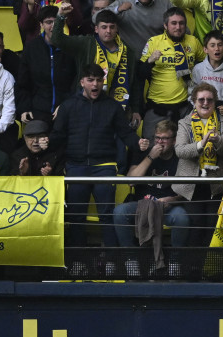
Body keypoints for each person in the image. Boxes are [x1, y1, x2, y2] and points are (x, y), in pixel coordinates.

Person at [49, 63, 149, 247]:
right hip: (76, 166)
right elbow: (58, 136)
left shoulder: (113, 106)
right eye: (90, 80)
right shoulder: (68, 106)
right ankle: (79, 261)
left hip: (104, 167)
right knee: (76, 216)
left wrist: (138, 143)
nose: (95, 84)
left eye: (98, 80)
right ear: (82, 82)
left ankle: (111, 260)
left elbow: (125, 134)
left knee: (106, 215)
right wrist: (47, 142)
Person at [113, 118, 187, 275]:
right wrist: (150, 157)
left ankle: (175, 262)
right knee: (119, 213)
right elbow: (131, 182)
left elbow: (186, 191)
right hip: (143, 205)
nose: (160, 142)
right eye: (157, 138)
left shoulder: (180, 156)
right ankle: (131, 260)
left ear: (174, 140)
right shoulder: (144, 152)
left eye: (165, 138)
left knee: (182, 217)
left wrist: (171, 200)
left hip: (167, 206)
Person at [53, 3, 142, 131]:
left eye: (112, 27)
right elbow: (58, 40)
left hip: (116, 108)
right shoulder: (86, 44)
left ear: (117, 28)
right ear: (96, 29)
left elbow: (133, 82)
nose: (108, 31)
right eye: (104, 27)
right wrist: (61, 16)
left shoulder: (128, 51)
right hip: (87, 107)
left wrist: (136, 110)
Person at [172, 82, 223, 247]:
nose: (205, 103)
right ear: (194, 102)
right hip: (192, 184)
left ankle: (208, 266)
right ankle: (192, 267)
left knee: (212, 226)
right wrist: (201, 144)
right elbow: (180, 151)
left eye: (210, 100)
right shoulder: (184, 123)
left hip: (215, 185)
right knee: (195, 226)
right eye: (201, 100)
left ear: (215, 102)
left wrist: (217, 140)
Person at [136, 7, 205, 141]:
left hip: (184, 108)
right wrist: (150, 61)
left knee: (185, 150)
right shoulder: (153, 42)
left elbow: (207, 65)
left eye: (181, 23)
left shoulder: (193, 42)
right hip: (157, 107)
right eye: (173, 23)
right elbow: (139, 74)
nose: (178, 27)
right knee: (151, 148)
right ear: (165, 25)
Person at [16, 5, 77, 124]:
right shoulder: (31, 48)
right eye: (49, 22)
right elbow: (23, 83)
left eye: (56, 21)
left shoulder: (71, 46)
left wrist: (66, 104)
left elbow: (76, 81)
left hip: (67, 110)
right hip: (38, 110)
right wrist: (25, 108)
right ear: (41, 24)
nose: (53, 26)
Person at [191, 30, 223, 118]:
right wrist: (201, 108)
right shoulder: (198, 69)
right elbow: (191, 95)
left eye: (220, 45)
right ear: (205, 49)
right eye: (212, 45)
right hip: (201, 115)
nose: (217, 49)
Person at [100, 0, 170, 58]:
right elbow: (95, 18)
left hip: (157, 59)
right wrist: (118, 10)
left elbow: (179, 23)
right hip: (128, 60)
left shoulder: (165, 4)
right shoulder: (123, 2)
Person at [18, 0, 84, 43]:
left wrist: (68, 3)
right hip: (38, 46)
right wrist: (30, 6)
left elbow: (77, 22)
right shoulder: (35, 1)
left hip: (65, 45)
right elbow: (23, 26)